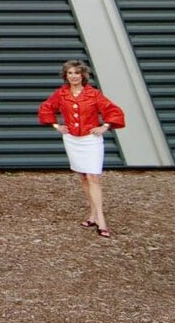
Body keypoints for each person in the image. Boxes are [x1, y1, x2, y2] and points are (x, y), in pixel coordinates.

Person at [38, 59, 126, 238]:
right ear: (65, 76)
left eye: (77, 73)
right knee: (84, 177)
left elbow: (113, 110)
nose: (73, 77)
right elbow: (46, 109)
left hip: (90, 139)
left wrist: (105, 126)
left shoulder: (93, 94)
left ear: (83, 75)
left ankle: (101, 219)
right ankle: (92, 214)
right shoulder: (61, 94)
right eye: (70, 73)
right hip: (72, 140)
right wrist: (57, 126)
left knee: (93, 176)